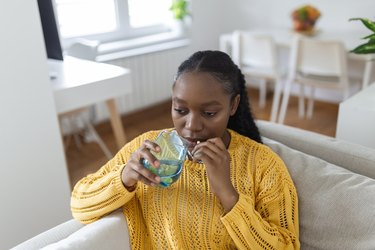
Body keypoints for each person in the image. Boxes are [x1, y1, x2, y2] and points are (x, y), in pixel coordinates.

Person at [71, 50, 300, 249]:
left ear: (233, 105)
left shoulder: (262, 164)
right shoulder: (148, 148)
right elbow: (79, 206)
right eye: (180, 110)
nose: (191, 126)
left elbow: (286, 245)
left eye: (209, 113)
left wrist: (228, 195)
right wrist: (124, 178)